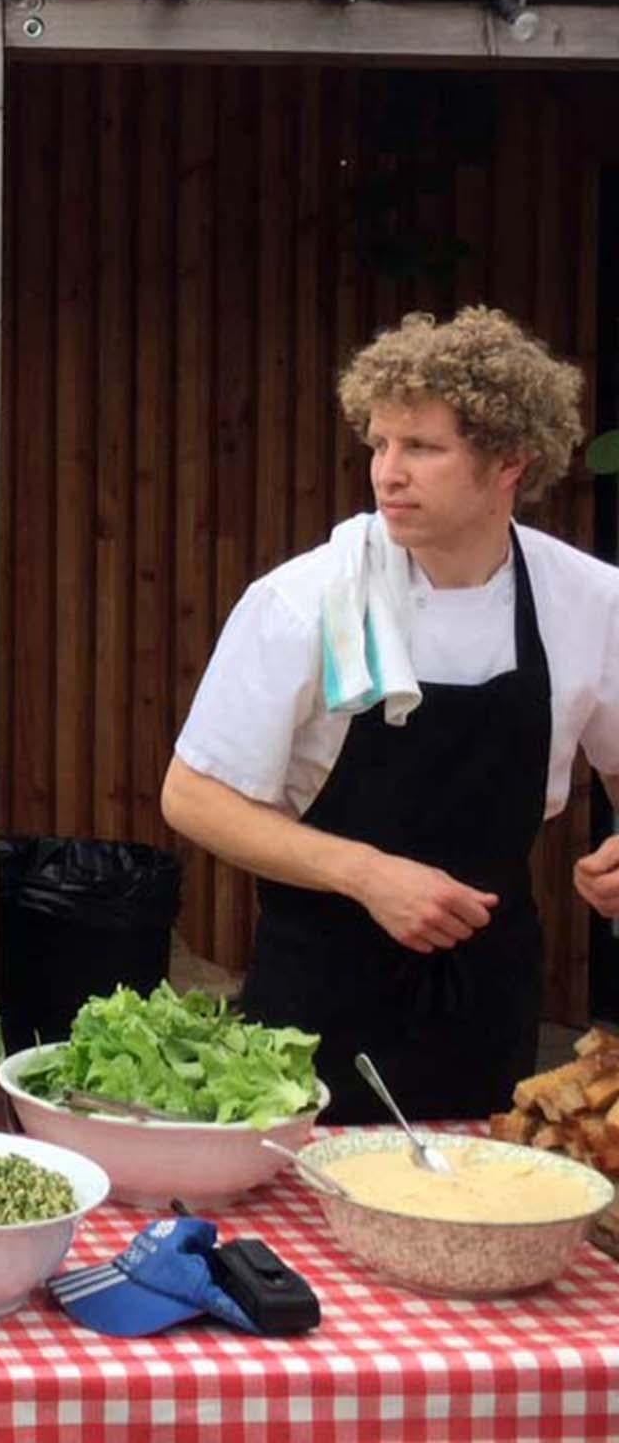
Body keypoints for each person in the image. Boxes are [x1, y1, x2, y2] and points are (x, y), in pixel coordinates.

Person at [163, 307, 619, 1123]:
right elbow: (193, 796)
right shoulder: (304, 603)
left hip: (491, 1000)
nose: (387, 473)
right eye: (379, 444)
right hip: (318, 1003)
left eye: (423, 448)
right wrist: (367, 874)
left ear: (510, 460)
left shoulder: (587, 602)